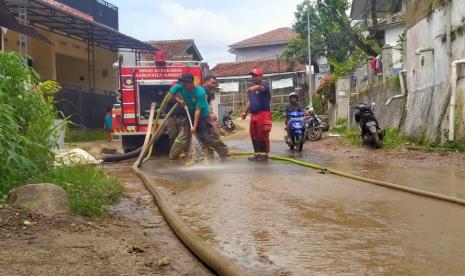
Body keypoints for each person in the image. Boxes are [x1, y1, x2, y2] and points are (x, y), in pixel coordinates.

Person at [169, 73, 229, 160]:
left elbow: (198, 110)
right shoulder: (180, 86)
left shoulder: (200, 92)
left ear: (191, 82)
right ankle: (173, 156)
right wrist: (179, 101)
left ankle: (224, 152)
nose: (182, 86)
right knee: (184, 137)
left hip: (203, 115)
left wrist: (194, 127)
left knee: (208, 137)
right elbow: (171, 92)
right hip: (190, 114)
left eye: (184, 84)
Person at [241, 68, 272, 161]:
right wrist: (245, 111)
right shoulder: (252, 88)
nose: (253, 77)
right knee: (254, 135)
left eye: (255, 75)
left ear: (261, 76)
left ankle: (264, 155)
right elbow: (250, 101)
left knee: (263, 135)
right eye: (252, 76)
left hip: (263, 114)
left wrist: (253, 88)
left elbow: (259, 88)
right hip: (254, 115)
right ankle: (257, 154)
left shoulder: (265, 85)